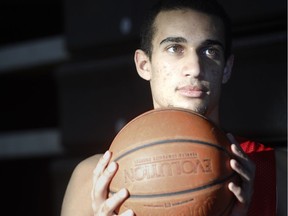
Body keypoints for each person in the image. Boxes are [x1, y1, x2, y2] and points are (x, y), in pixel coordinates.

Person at [61, 0, 286, 215]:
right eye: (175, 48)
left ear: (226, 68)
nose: (195, 68)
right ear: (144, 65)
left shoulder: (277, 172)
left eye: (210, 52)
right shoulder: (93, 178)